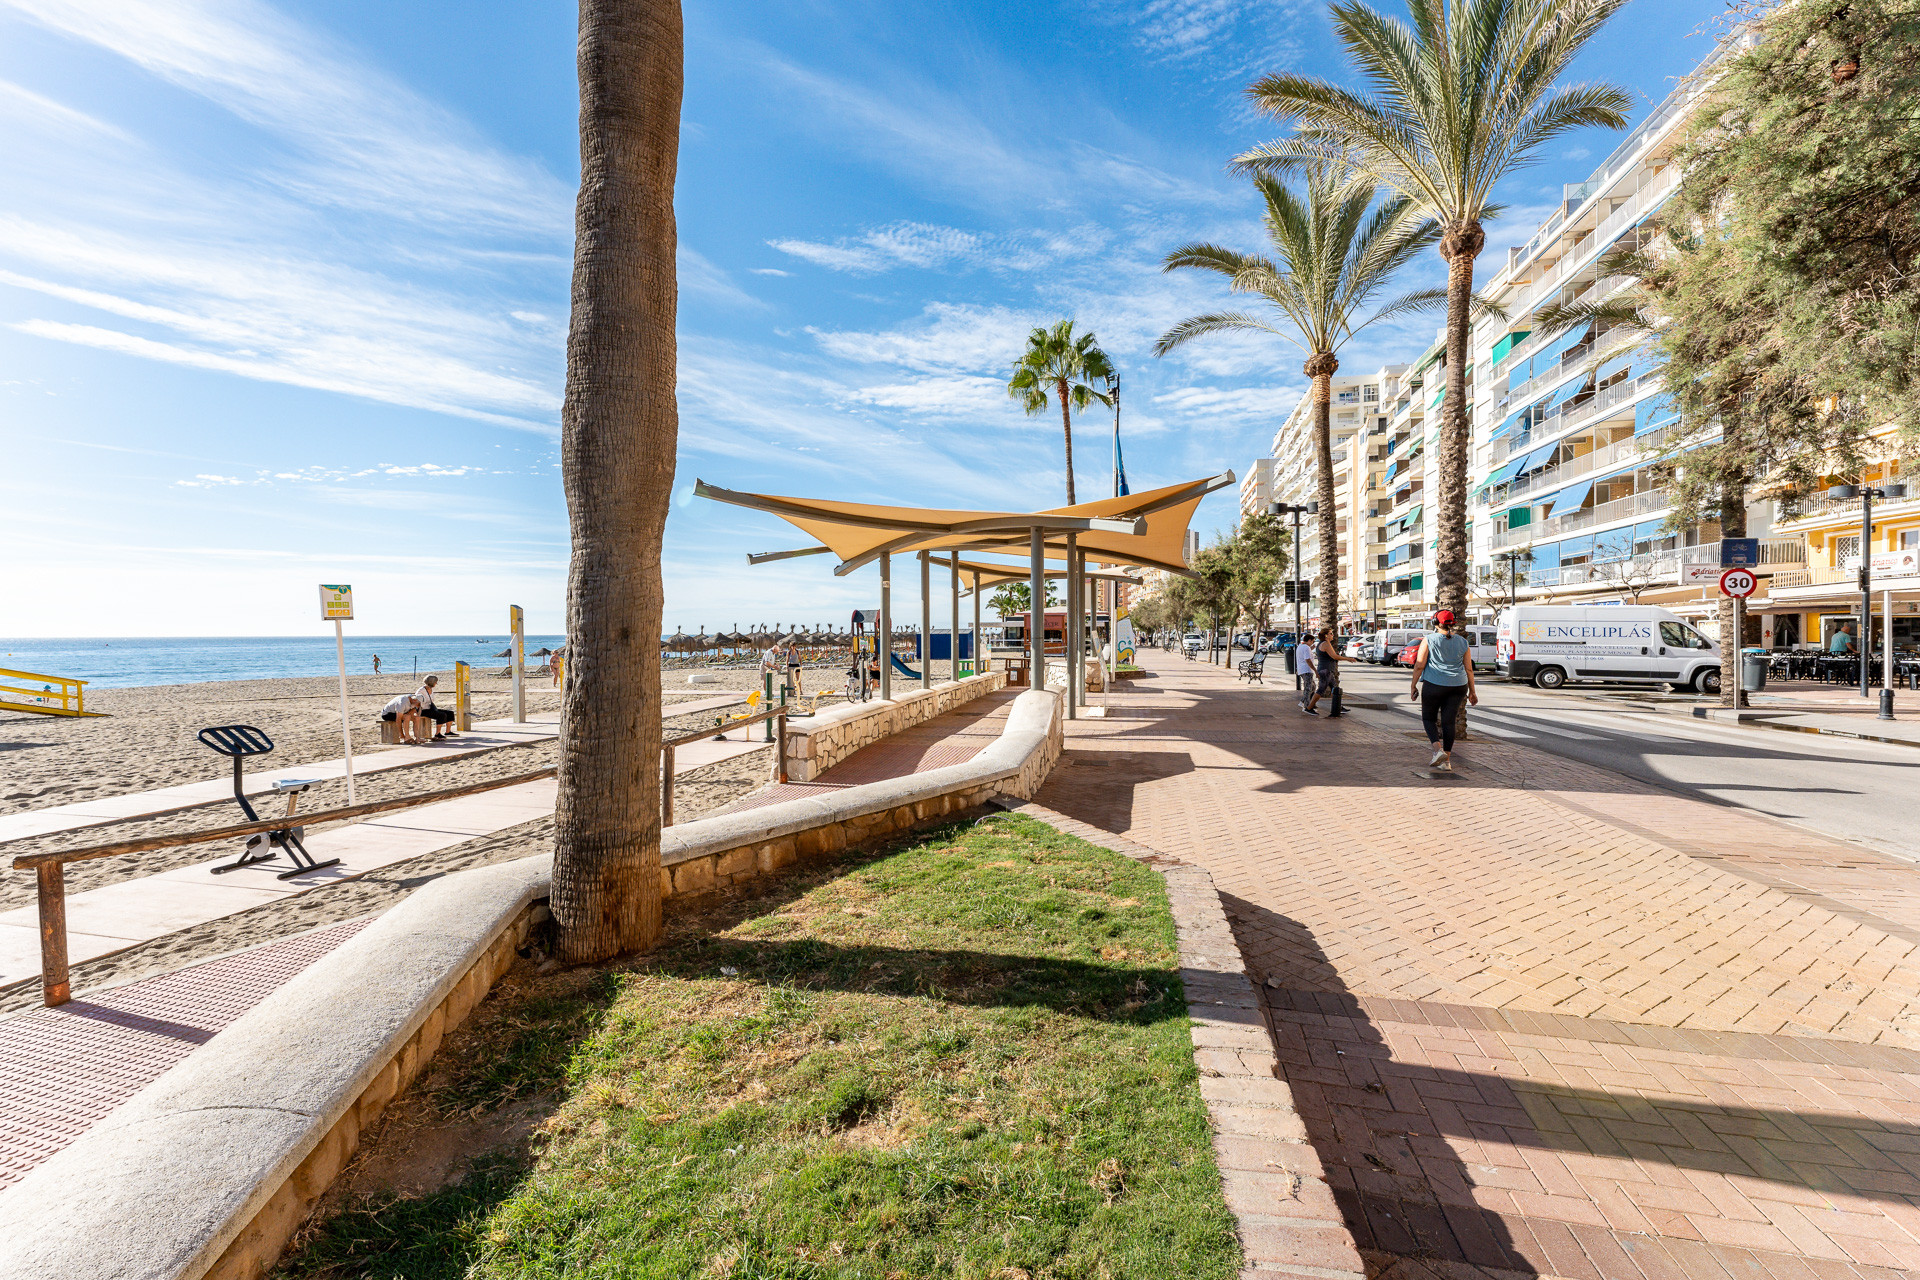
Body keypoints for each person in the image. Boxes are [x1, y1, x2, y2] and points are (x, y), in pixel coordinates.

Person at [1409, 610, 1478, 769]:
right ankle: (1446, 761)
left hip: (1434, 684)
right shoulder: (1463, 642)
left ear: (1435, 623)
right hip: (1459, 686)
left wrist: (1413, 685)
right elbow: (1469, 669)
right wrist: (1472, 692)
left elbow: (1419, 665)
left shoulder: (1429, 640)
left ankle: (1437, 750)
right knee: (1449, 721)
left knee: (1428, 718)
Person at [1304, 626, 1354, 716]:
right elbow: (1334, 656)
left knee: (1335, 688)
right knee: (1321, 690)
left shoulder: (1324, 643)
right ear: (1326, 635)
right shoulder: (1325, 644)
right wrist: (1348, 659)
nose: (1333, 635)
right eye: (1331, 634)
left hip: (1327, 670)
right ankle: (1309, 708)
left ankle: (1339, 707)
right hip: (1325, 671)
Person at [414, 675, 456, 740]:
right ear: (431, 682)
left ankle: (448, 732)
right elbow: (417, 703)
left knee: (450, 713)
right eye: (435, 682)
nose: (436, 683)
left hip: (430, 708)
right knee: (441, 715)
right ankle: (437, 734)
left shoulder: (430, 689)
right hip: (422, 710)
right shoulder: (421, 691)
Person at [1293, 633, 1317, 710]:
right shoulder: (1306, 648)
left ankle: (1303, 701)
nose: (1313, 643)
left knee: (1312, 686)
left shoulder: (1301, 646)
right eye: (1313, 641)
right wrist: (1315, 670)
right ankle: (1307, 706)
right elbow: (1308, 660)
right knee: (1308, 688)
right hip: (1307, 670)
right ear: (1309, 640)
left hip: (1302, 670)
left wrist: (1310, 648)